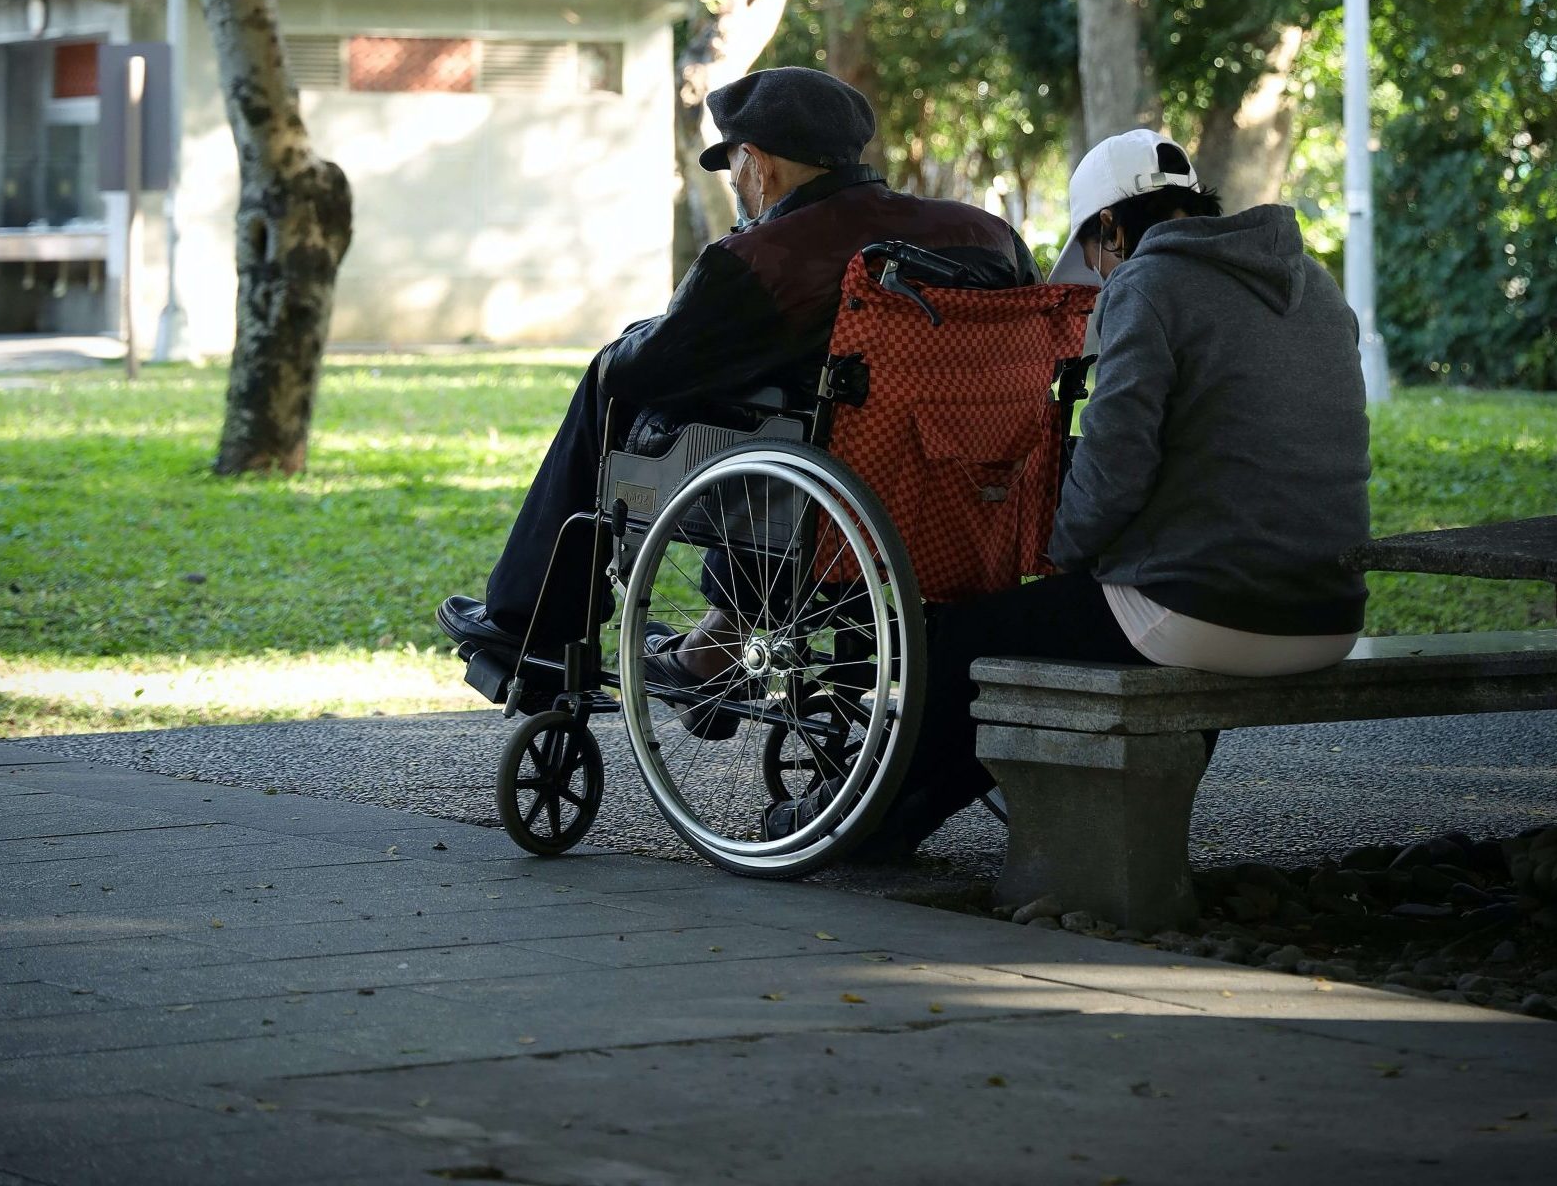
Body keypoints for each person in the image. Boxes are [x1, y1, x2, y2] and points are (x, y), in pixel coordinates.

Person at [436, 64, 1037, 709]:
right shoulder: (986, 235)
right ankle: (711, 644)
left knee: (612, 380)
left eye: (734, 170)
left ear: (756, 163)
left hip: (824, 498)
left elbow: (649, 370)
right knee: (795, 425)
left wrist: (630, 344)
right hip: (970, 491)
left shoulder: (768, 256)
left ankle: (530, 622)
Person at [873, 126, 1373, 855]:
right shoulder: (1315, 286)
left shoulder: (1148, 282)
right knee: (1042, 633)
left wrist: (1061, 552)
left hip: (1204, 611)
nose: (1101, 276)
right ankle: (897, 823)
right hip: (1327, 613)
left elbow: (1114, 464)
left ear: (1110, 226)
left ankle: (870, 820)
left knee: (957, 641)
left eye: (1097, 253)